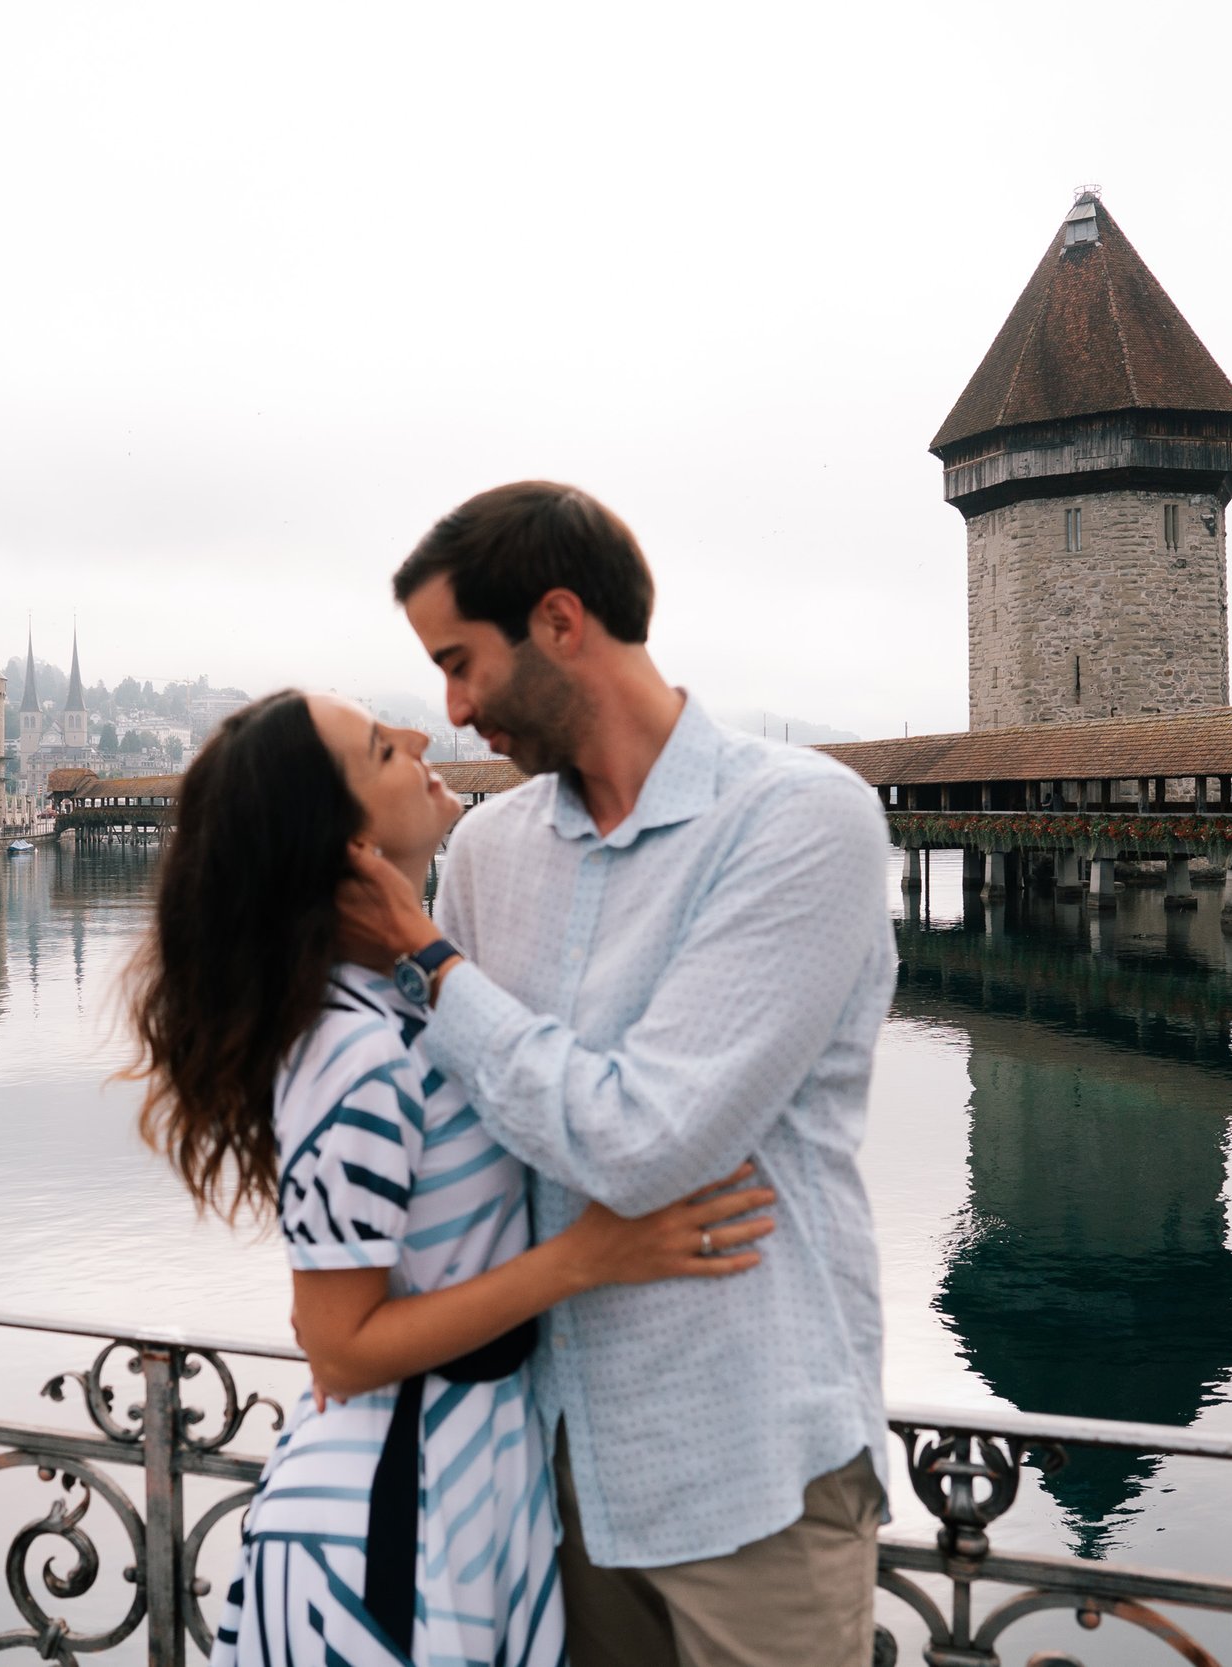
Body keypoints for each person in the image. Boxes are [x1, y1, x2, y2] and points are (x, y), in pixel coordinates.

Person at [336, 481, 898, 1667]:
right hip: (546, 1471)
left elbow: (644, 1143)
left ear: (556, 622)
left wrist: (430, 960)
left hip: (750, 1472)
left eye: (459, 660)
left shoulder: (799, 819)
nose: (449, 708)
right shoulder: (489, 849)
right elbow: (472, 1129)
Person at [128, 689, 777, 1667]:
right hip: (383, 1534)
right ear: (341, 838)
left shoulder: (398, 1008)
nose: (423, 741)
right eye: (385, 748)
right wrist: (586, 1258)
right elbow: (337, 1345)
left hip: (466, 1488)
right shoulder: (354, 1051)